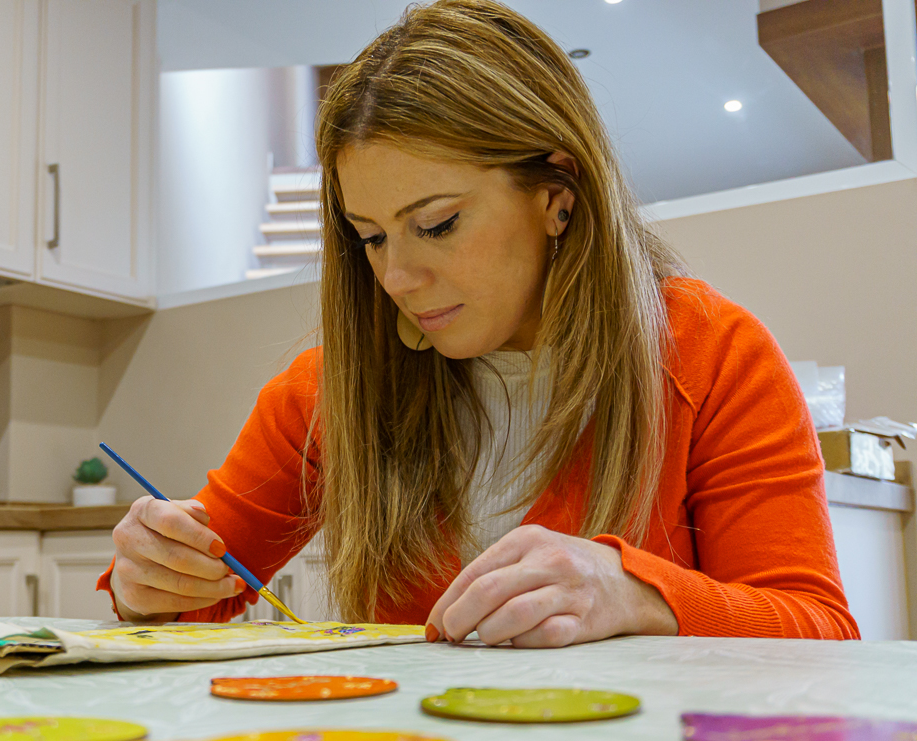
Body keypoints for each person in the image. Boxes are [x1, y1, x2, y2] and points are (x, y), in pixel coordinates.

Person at [98, 0, 859, 646]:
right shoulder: (332, 389)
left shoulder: (712, 354)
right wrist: (149, 579)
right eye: (370, 236)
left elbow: (818, 630)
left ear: (557, 194)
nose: (395, 278)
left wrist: (637, 594)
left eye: (437, 225)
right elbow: (191, 591)